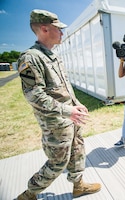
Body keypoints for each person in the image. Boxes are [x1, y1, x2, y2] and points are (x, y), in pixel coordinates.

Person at [16, 9, 101, 200]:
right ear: (45, 29)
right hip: (56, 123)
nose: (62, 32)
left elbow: (64, 87)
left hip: (71, 117)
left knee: (77, 151)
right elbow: (34, 95)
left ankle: (78, 185)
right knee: (57, 162)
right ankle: (29, 193)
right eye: (59, 29)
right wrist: (67, 110)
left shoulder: (53, 56)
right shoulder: (30, 58)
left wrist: (76, 104)